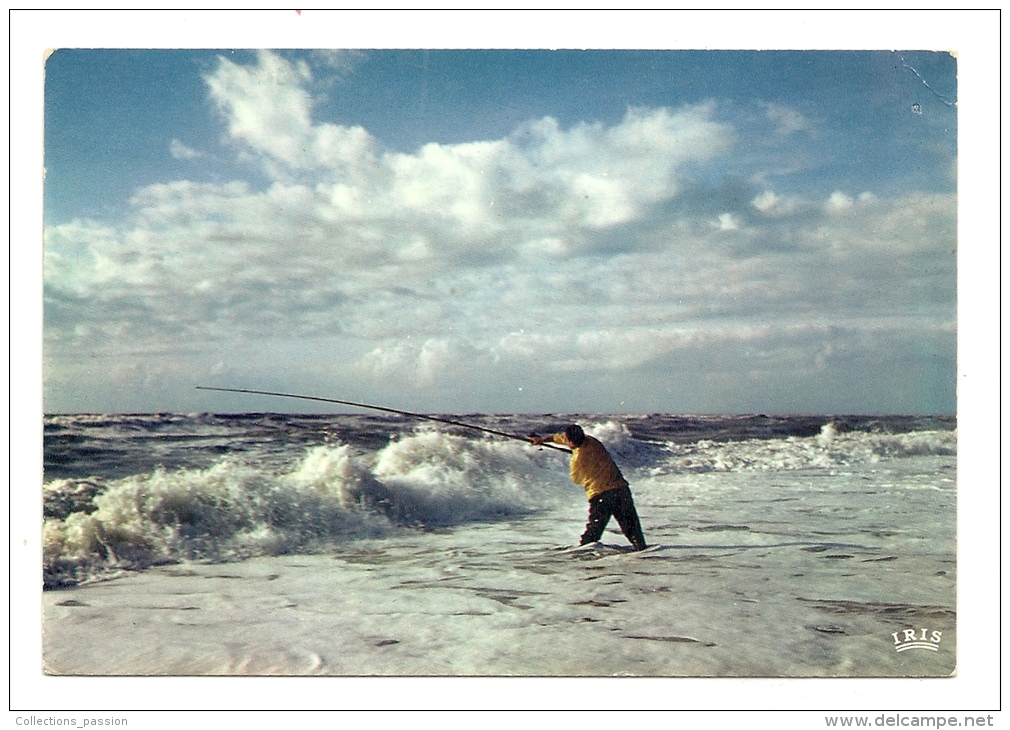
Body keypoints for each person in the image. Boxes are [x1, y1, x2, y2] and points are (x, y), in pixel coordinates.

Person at [530, 424, 647, 551]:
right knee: (633, 530)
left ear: (570, 441)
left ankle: (582, 560)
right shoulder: (592, 441)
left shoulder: (578, 459)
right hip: (621, 490)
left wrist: (575, 458)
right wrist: (542, 440)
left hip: (601, 495)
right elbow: (559, 438)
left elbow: (577, 480)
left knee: (592, 534)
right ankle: (643, 554)